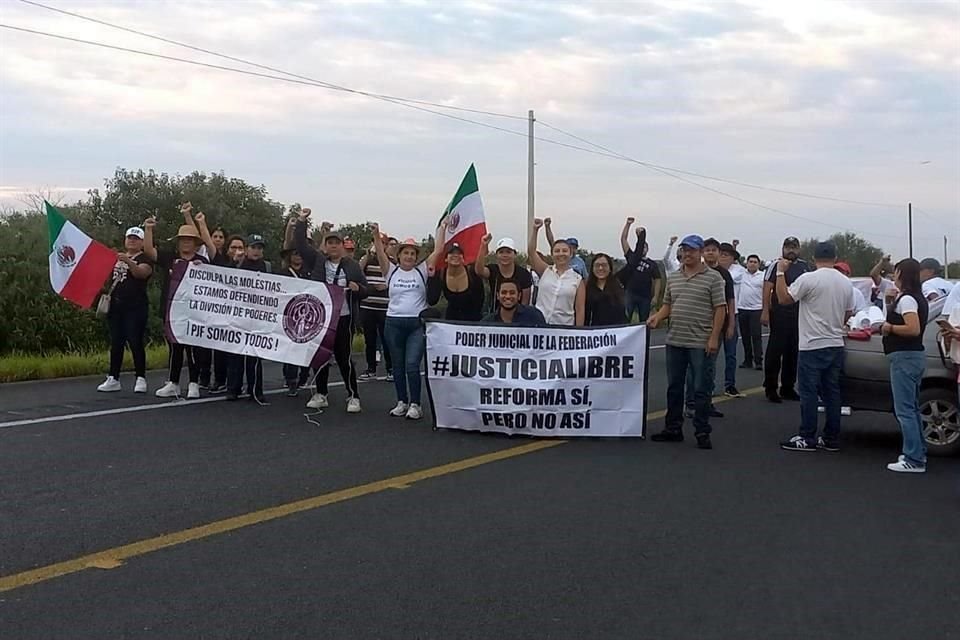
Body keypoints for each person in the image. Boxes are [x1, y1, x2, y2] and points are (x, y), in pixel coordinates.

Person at [646, 235, 726, 450]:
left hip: (700, 342)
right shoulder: (674, 277)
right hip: (675, 340)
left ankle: (702, 431)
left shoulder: (714, 278)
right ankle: (673, 428)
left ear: (700, 252)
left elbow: (720, 308)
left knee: (701, 388)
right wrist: (657, 317)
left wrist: (714, 337)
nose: (687, 254)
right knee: (674, 387)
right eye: (684, 250)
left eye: (691, 250)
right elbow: (668, 304)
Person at [776, 241, 856, 452]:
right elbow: (848, 313)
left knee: (809, 392)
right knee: (832, 392)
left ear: (814, 258)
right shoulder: (845, 282)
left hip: (812, 343)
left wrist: (780, 273)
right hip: (835, 342)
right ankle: (831, 437)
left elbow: (784, 299)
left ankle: (807, 436)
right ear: (835, 258)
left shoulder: (808, 279)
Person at [295, 213, 367, 414]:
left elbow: (365, 289)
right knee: (320, 356)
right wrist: (301, 222)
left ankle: (353, 395)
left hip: (343, 317)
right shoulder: (318, 261)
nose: (333, 246)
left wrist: (358, 289)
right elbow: (300, 244)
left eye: (337, 243)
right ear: (325, 245)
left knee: (344, 358)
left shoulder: (351, 265)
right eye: (330, 243)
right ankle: (321, 393)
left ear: (342, 246)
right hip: (322, 317)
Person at [372, 222, 443, 420]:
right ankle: (401, 401)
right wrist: (376, 234)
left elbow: (438, 250)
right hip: (393, 323)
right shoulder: (391, 271)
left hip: (415, 324)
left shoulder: (421, 270)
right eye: (406, 253)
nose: (409, 257)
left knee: (412, 364)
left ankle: (416, 404)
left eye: (413, 254)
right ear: (399, 255)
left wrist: (442, 228)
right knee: (398, 365)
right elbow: (379, 252)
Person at [144, 204, 215, 399]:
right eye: (183, 240)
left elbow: (212, 251)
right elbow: (149, 251)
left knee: (193, 348)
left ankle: (194, 383)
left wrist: (198, 221)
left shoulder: (202, 261)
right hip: (173, 311)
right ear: (178, 243)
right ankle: (173, 382)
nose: (186, 243)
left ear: (195, 243)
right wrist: (148, 229)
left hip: (195, 312)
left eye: (190, 240)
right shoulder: (170, 258)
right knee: (175, 348)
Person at [879, 258, 930, 472]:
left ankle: (913, 458)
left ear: (903, 274)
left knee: (905, 410)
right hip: (912, 357)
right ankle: (918, 451)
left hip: (905, 357)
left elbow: (913, 329)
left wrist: (889, 327)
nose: (893, 276)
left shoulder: (908, 300)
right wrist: (890, 304)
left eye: (896, 272)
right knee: (913, 408)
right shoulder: (912, 298)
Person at [97, 226, 153, 394]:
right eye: (129, 237)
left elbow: (141, 274)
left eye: (136, 238)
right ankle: (113, 377)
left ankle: (140, 377)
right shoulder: (116, 257)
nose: (132, 240)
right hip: (116, 305)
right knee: (116, 342)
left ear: (142, 242)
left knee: (135, 341)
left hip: (135, 307)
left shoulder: (145, 258)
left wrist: (128, 261)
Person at [684, 238, 735, 417]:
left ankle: (706, 402)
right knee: (694, 367)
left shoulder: (724, 274)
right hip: (697, 327)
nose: (711, 252)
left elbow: (730, 301)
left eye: (714, 250)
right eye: (708, 250)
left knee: (709, 367)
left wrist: (731, 325)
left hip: (718, 326)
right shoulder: (694, 271)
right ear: (702, 253)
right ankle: (690, 403)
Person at [225, 234, 271, 403]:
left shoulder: (267, 266)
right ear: (246, 249)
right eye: (253, 247)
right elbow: (224, 279)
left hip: (258, 316)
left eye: (259, 248)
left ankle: (255, 390)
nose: (257, 251)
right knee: (235, 354)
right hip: (238, 314)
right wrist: (234, 263)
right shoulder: (238, 264)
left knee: (255, 355)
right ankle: (233, 389)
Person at [762, 236, 809, 403]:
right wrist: (765, 311)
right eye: (788, 247)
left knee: (793, 351)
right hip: (779, 313)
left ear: (798, 249)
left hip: (798, 315)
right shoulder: (776, 265)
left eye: (794, 247)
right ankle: (770, 387)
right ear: (782, 248)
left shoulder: (804, 266)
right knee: (775, 351)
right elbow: (767, 287)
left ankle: (788, 387)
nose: (791, 250)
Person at [527, 218, 586, 326]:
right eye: (557, 251)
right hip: (539, 325)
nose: (561, 254)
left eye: (564, 251)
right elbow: (531, 251)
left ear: (571, 254)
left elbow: (580, 309)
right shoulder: (545, 271)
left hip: (563, 329)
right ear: (552, 254)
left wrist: (578, 332)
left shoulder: (577, 280)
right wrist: (535, 230)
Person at [279, 244, 313, 396]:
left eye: (300, 254)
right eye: (294, 254)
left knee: (305, 347)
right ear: (289, 257)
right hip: (290, 314)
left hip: (307, 314)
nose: (298, 256)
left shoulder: (308, 272)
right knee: (291, 348)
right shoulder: (283, 273)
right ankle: (290, 378)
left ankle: (304, 376)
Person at [358, 239, 393, 381]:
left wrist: (386, 286)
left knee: (387, 340)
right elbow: (358, 272)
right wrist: (368, 255)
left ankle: (391, 369)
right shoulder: (366, 259)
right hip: (367, 305)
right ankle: (371, 369)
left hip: (385, 306)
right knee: (370, 340)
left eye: (382, 243)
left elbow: (396, 278)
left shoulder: (390, 261)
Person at [427, 235, 485, 321]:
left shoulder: (472, 273)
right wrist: (432, 278)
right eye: (451, 253)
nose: (455, 255)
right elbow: (432, 300)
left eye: (459, 253)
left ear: (463, 259)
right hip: (451, 321)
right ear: (446, 259)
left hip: (473, 321)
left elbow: (480, 300)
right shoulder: (441, 274)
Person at [619, 219, 661, 323]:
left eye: (645, 247)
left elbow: (658, 280)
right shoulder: (632, 256)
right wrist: (628, 224)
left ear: (648, 249)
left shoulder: (652, 264)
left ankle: (644, 339)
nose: (643, 249)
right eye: (641, 247)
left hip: (645, 296)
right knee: (624, 319)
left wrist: (655, 297)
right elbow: (623, 239)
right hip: (630, 293)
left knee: (644, 323)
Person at [476, 235, 533, 310]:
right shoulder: (493, 269)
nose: (504, 255)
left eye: (508, 252)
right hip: (495, 316)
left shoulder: (524, 274)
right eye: (501, 252)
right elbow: (479, 271)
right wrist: (483, 246)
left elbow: (525, 302)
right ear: (497, 255)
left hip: (517, 316)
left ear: (514, 254)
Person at [718, 241, 745, 397]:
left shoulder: (738, 271)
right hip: (713, 315)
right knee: (709, 354)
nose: (722, 258)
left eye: (726, 255)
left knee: (731, 354)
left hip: (731, 315)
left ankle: (730, 385)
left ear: (733, 258)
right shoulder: (711, 271)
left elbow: (727, 278)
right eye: (720, 254)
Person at [579, 253, 627, 326]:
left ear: (610, 268)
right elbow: (585, 315)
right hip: (597, 333)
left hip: (619, 331)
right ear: (592, 268)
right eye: (597, 265)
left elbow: (633, 262)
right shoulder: (586, 288)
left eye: (604, 265)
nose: (600, 268)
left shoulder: (618, 282)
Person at [737, 254, 765, 370]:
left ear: (758, 264)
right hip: (742, 309)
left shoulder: (763, 276)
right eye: (750, 262)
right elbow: (734, 261)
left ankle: (758, 361)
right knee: (745, 337)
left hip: (756, 309)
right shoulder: (741, 274)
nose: (752, 264)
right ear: (746, 263)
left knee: (756, 336)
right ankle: (748, 360)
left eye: (755, 262)